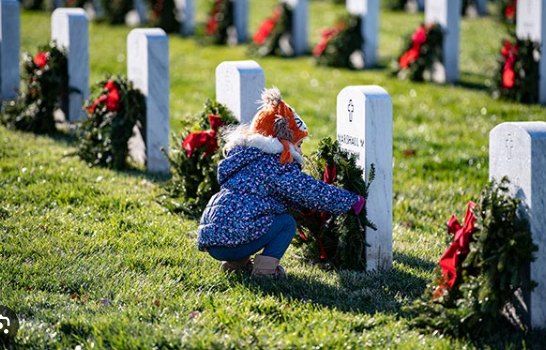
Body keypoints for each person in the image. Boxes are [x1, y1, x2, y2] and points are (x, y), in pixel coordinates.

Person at [197, 88, 366, 277]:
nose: (300, 152)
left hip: (212, 238)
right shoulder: (275, 165)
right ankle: (265, 272)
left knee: (248, 218)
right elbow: (309, 191)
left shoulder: (245, 158)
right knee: (285, 223)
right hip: (233, 240)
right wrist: (350, 201)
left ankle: (234, 265)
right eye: (299, 145)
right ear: (283, 140)